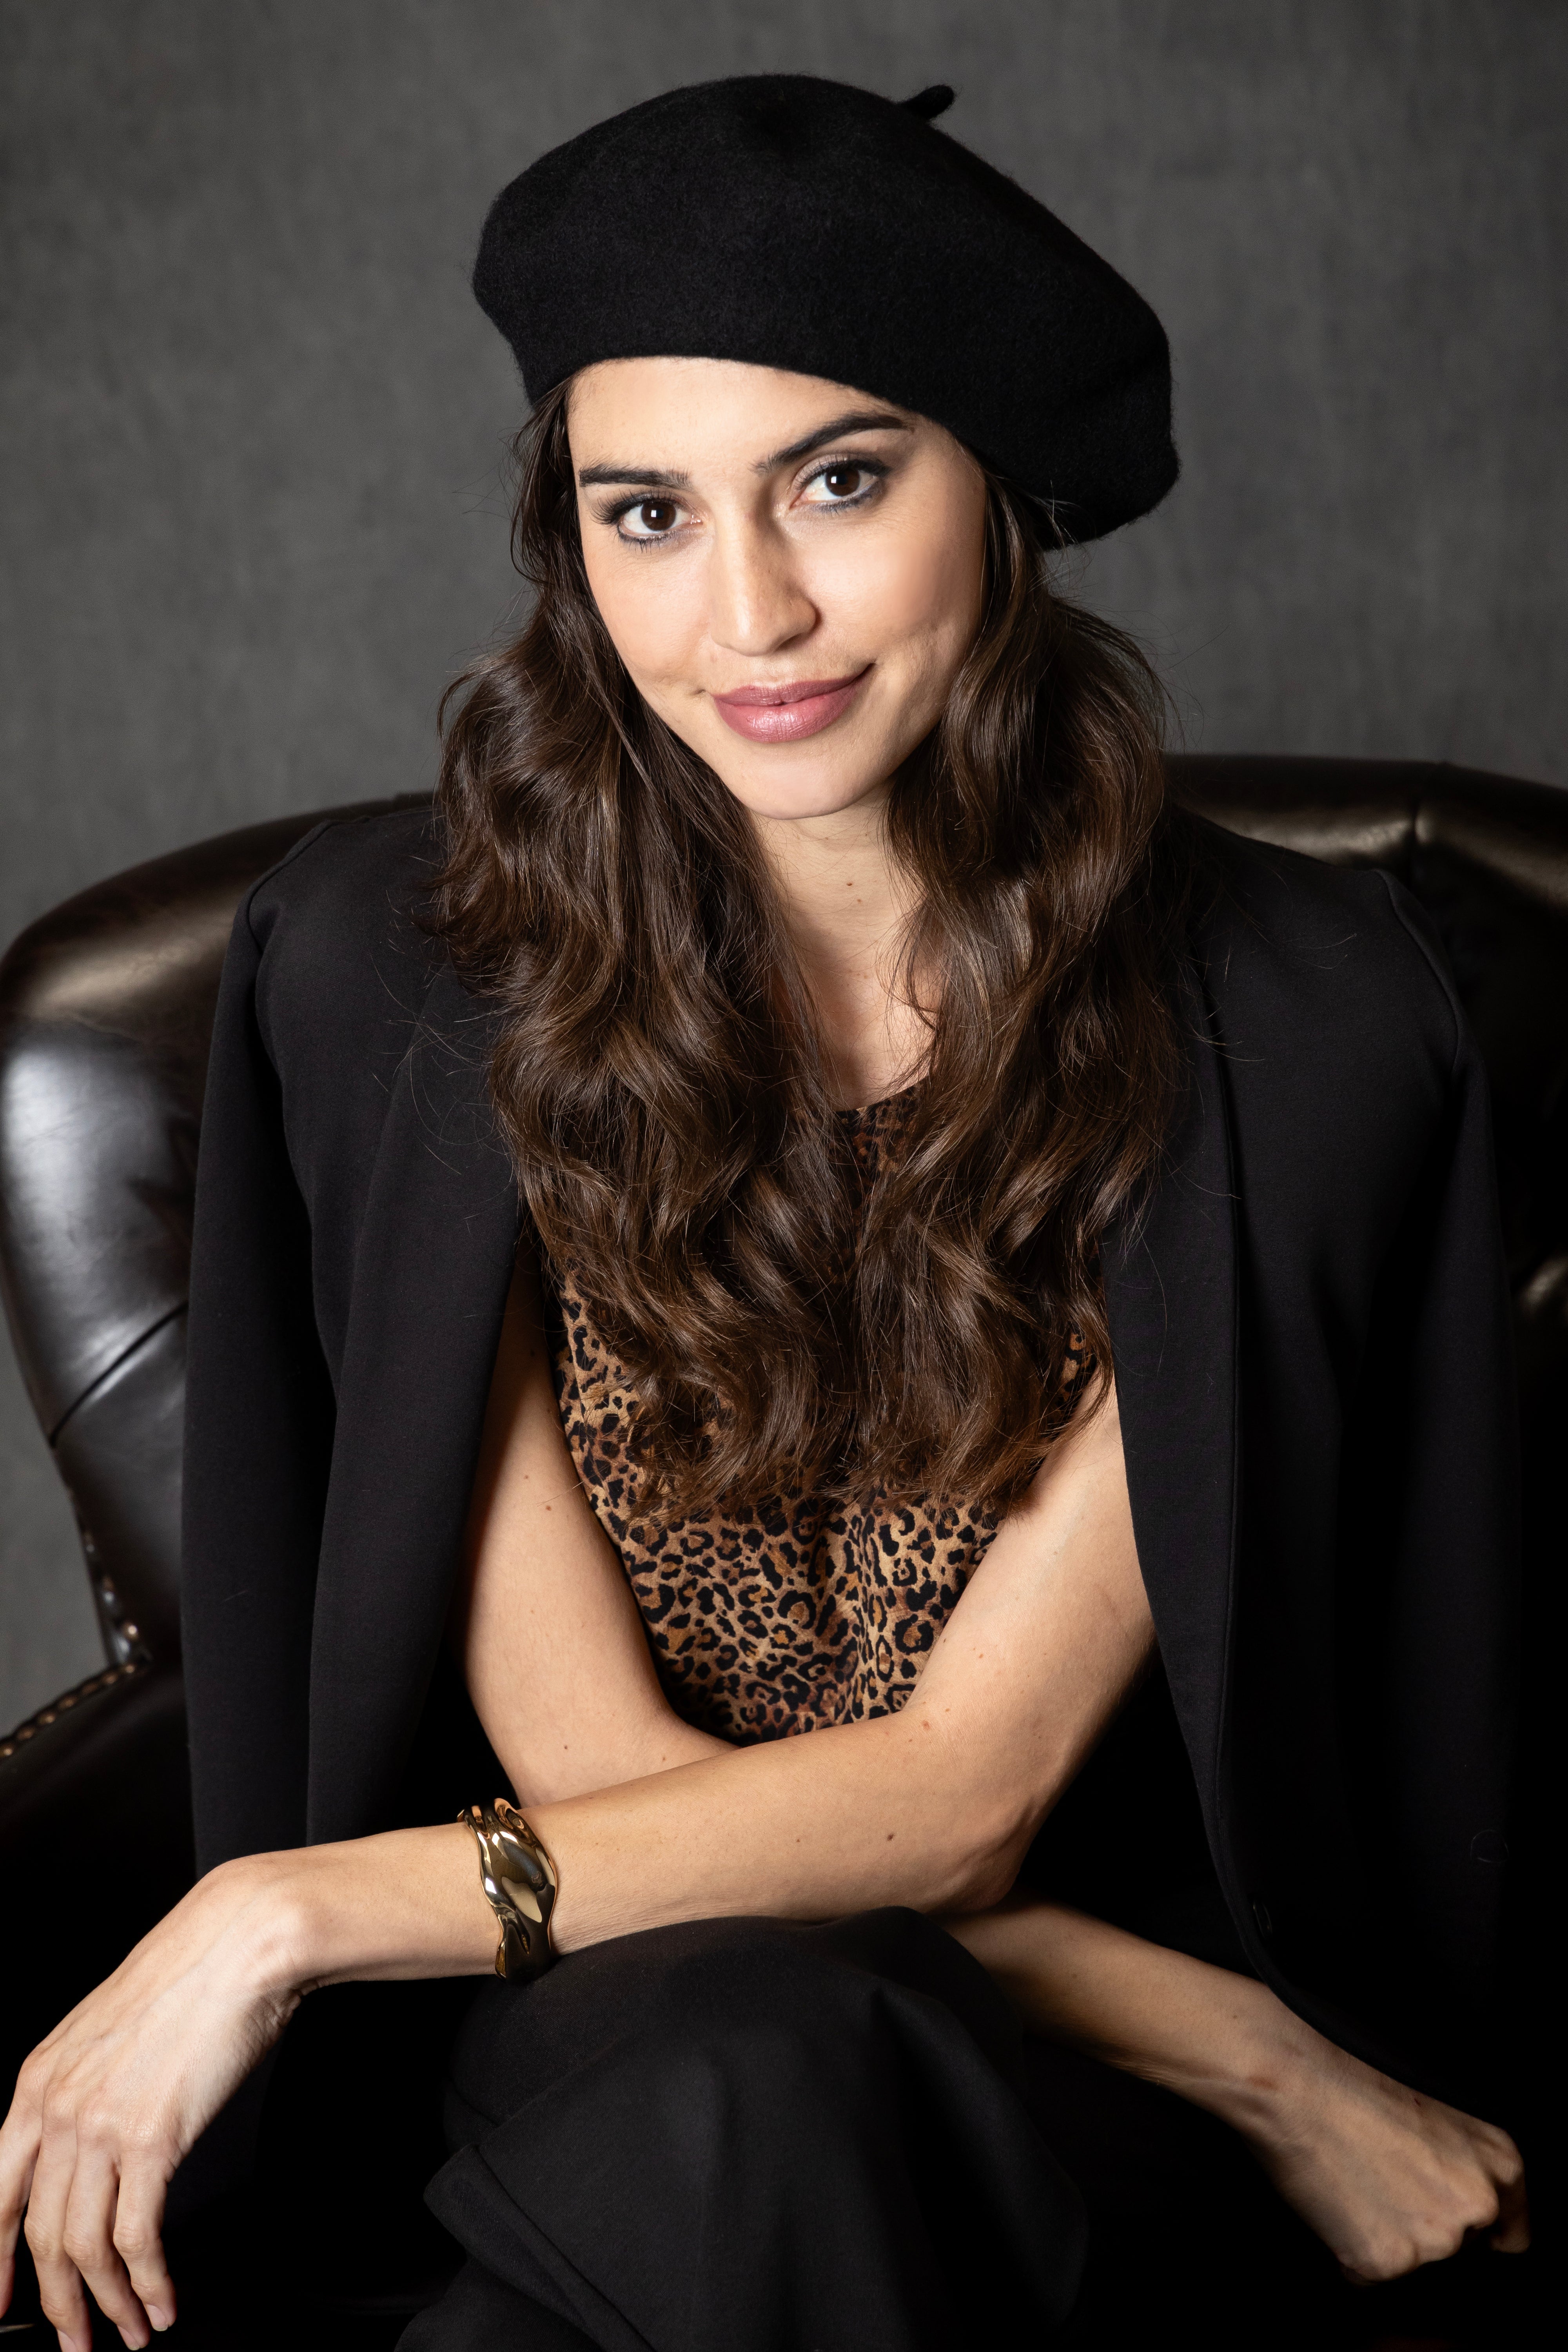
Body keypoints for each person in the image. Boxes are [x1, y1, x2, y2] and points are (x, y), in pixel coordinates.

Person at [0, 74, 1530, 2352]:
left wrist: (275, 1921)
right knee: (750, 2067)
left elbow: (964, 1801)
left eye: (839, 479)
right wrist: (1258, 2069)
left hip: (1054, 2068)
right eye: (647, 512)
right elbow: (609, 1790)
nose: (753, 614)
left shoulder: (1294, 1025)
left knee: (754, 2121)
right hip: (612, 1982)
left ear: (1000, 496)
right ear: (569, 548)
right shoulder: (407, 987)